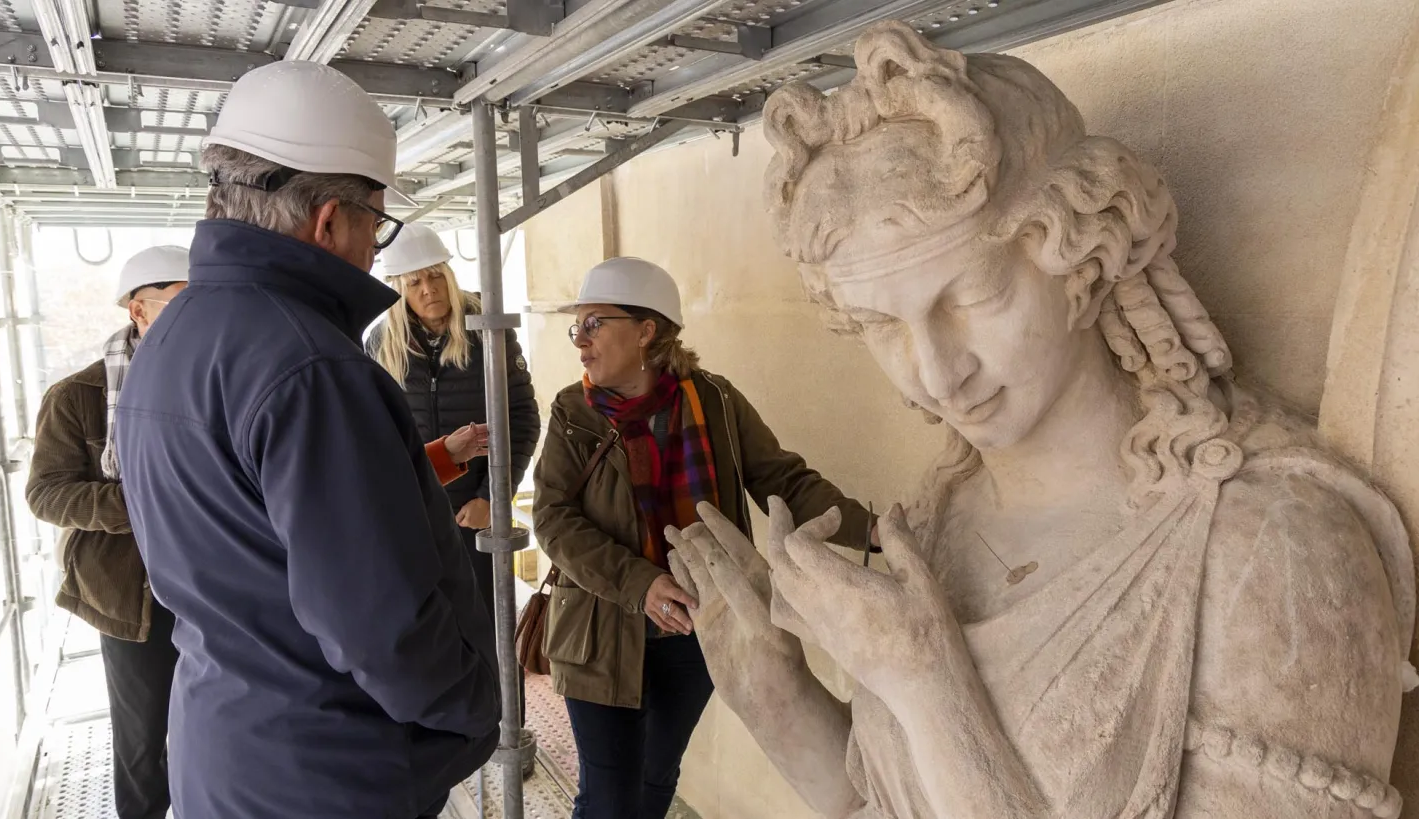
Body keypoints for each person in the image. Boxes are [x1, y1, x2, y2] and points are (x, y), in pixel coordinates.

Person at [666, 22, 1414, 819]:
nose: (938, 371)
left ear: (1084, 262)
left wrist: (927, 688)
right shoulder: (940, 518)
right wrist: (775, 696)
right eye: (883, 325)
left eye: (973, 297)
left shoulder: (1271, 551)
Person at [113, 61, 500, 819]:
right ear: (329, 220)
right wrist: (475, 707)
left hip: (224, 753)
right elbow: (381, 626)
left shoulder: (169, 341)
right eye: (376, 226)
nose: (374, 252)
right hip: (330, 773)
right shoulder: (312, 365)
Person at [532, 256, 875, 819]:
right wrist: (642, 584)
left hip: (700, 623)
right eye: (578, 325)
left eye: (596, 323)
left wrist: (872, 531)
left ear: (646, 330)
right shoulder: (575, 411)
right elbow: (553, 515)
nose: (581, 341)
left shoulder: (714, 400)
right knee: (609, 801)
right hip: (600, 629)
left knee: (655, 782)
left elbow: (782, 480)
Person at [25, 245, 189, 819]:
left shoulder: (217, 382)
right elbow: (46, 493)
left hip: (212, 587)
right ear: (137, 311)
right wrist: (147, 506)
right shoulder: (78, 397)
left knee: (214, 730)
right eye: (178, 303)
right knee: (143, 740)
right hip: (128, 595)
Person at [368, 222, 541, 625]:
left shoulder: (487, 328)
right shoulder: (382, 341)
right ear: (398, 288)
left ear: (448, 273)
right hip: (411, 513)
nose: (428, 289)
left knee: (484, 626)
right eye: (414, 283)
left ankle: (495, 691)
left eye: (434, 276)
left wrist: (491, 498)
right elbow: (377, 429)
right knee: (422, 626)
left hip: (473, 514)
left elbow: (523, 418)